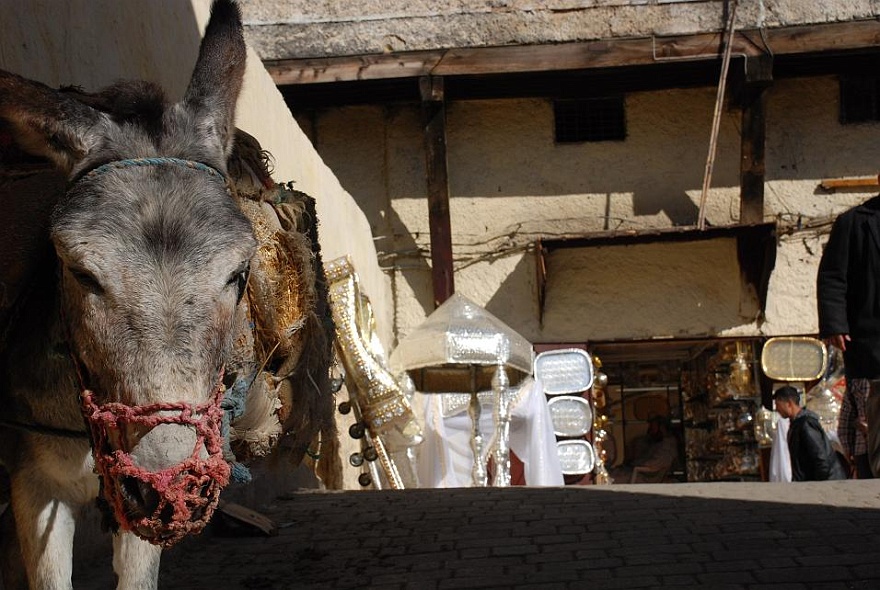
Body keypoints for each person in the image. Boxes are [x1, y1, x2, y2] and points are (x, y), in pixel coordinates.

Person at [817, 193, 880, 477]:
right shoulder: (854, 222)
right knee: (874, 405)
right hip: (871, 337)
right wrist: (835, 324)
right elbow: (833, 275)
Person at [772, 386, 847, 481]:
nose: (777, 409)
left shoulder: (806, 424)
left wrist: (818, 485)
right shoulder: (796, 425)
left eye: (778, 405)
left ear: (789, 403)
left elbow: (820, 458)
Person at [629, 416, 679, 484]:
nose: (650, 430)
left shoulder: (667, 446)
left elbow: (655, 464)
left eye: (653, 428)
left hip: (648, 477)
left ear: (662, 428)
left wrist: (638, 465)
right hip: (640, 472)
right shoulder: (656, 442)